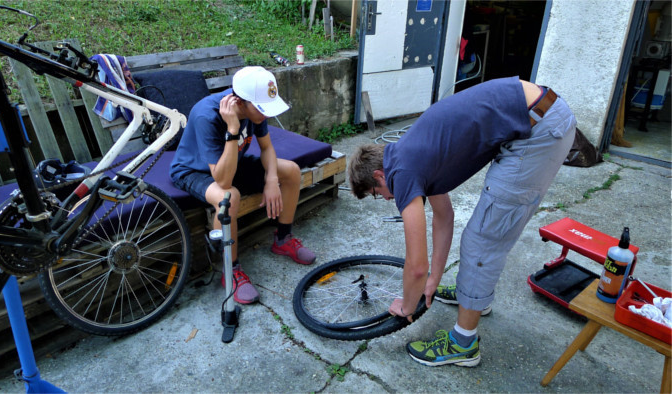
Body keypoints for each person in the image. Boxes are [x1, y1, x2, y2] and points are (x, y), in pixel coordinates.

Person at [347, 77, 576, 367]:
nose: (387, 198)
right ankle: (474, 295)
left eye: (377, 194)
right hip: (536, 115)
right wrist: (434, 279)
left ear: (379, 175)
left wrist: (406, 305)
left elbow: (415, 267)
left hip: (539, 129)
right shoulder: (414, 151)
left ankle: (463, 343)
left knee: (482, 241)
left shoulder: (401, 172)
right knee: (485, 232)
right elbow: (444, 217)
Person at [170, 66, 316, 305]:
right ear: (239, 101)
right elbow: (222, 180)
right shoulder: (207, 115)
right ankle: (231, 270)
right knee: (229, 196)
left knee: (290, 170)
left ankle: (283, 239)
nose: (265, 115)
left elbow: (267, 148)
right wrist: (233, 129)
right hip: (194, 170)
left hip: (231, 162)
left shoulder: (255, 109)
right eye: (261, 109)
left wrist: (271, 180)